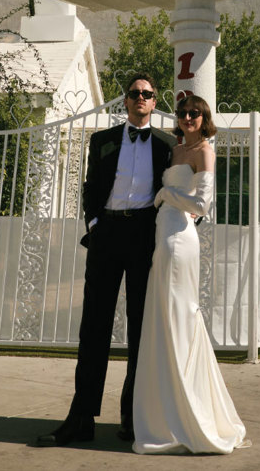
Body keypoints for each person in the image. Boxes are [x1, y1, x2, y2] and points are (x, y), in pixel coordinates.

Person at [37, 72, 175, 447]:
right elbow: (90, 186)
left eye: (147, 94)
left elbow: (182, 185)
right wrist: (95, 223)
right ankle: (81, 417)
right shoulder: (102, 140)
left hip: (144, 237)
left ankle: (134, 417)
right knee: (94, 327)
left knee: (141, 330)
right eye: (134, 93)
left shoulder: (167, 143)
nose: (141, 99)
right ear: (125, 100)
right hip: (107, 235)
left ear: (154, 100)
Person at [132, 93, 248, 454]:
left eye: (194, 113)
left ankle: (188, 413)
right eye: (183, 113)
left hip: (180, 241)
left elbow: (203, 206)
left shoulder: (204, 152)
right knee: (163, 322)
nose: (187, 118)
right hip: (161, 238)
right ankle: (166, 411)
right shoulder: (177, 150)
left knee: (180, 318)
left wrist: (167, 193)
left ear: (204, 117)